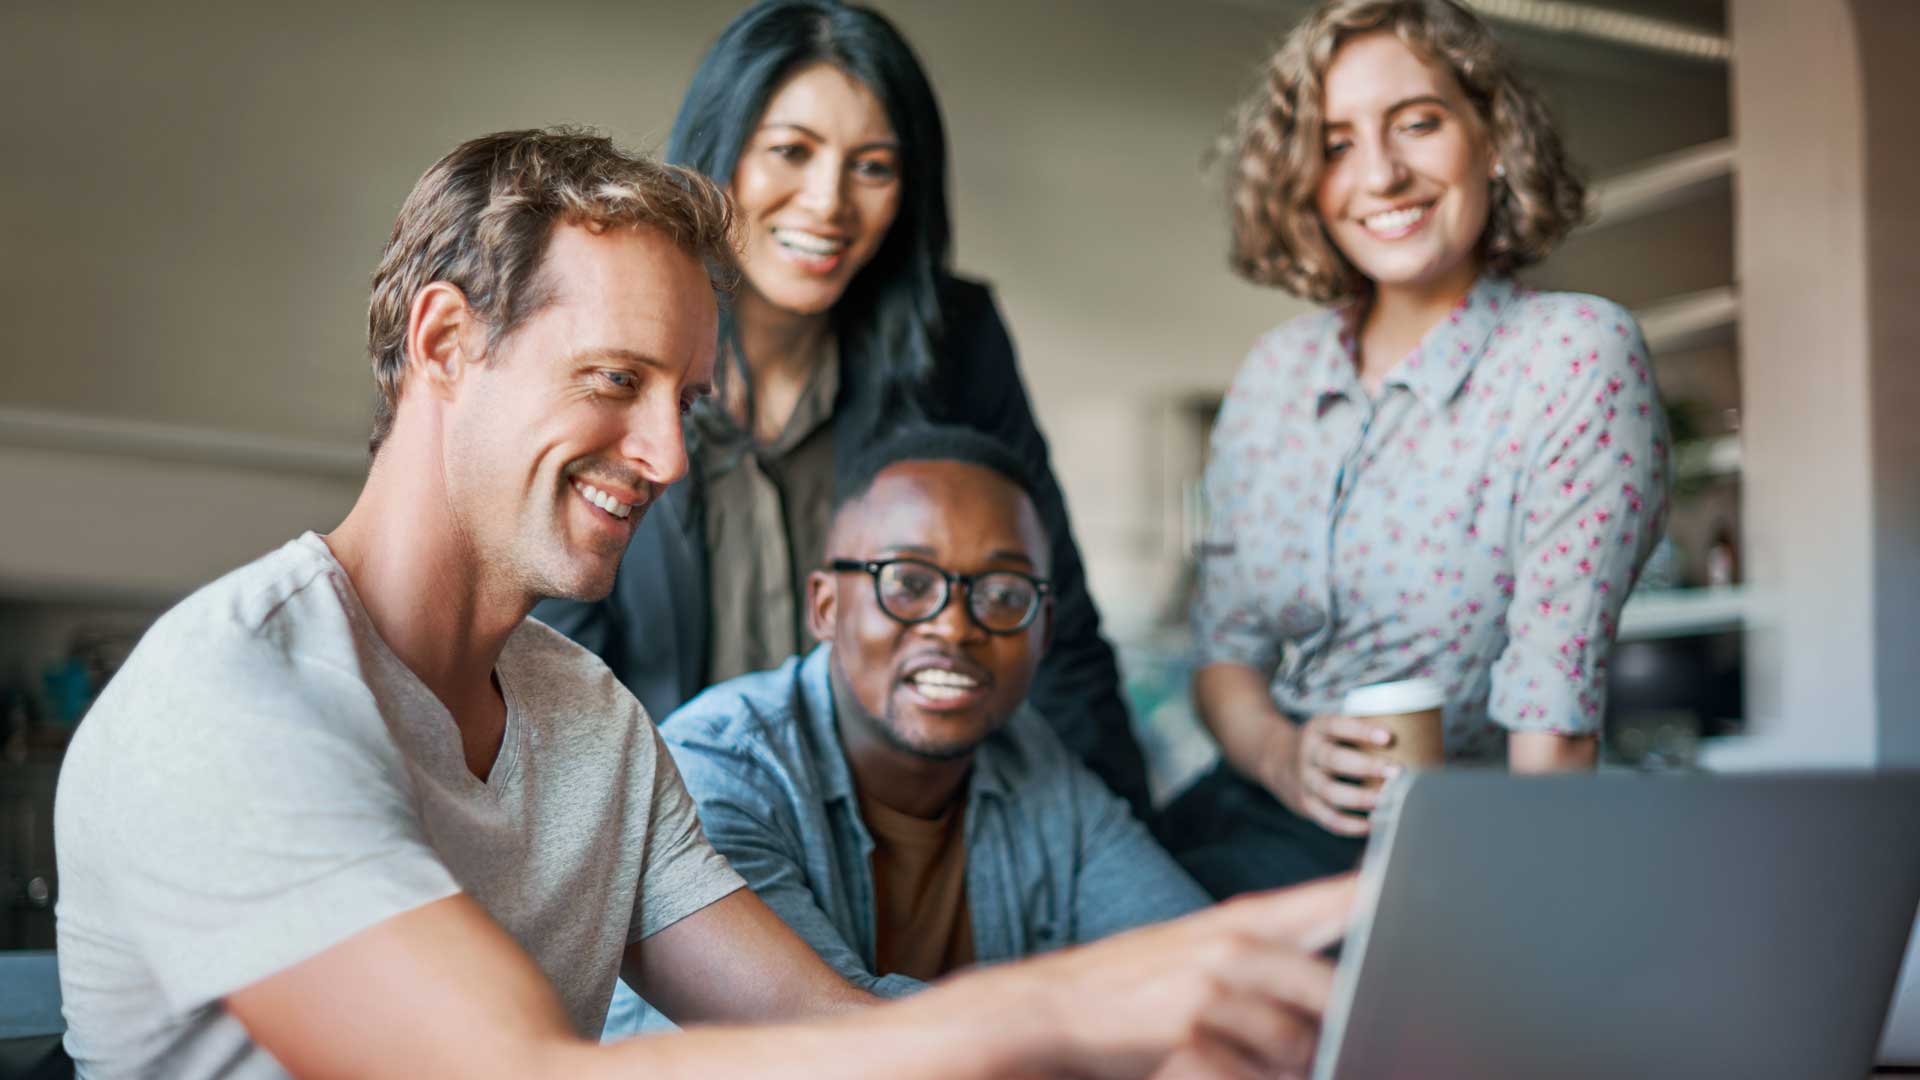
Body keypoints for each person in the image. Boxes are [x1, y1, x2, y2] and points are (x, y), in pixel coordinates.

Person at [53, 127, 1351, 1080]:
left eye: (687, 402)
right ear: (447, 343)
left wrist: (1198, 1009)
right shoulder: (231, 700)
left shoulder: (592, 722)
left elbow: (840, 1042)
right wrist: (1071, 1010)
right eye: (616, 380)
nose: (670, 458)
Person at [532, 0, 1151, 816]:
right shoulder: (612, 343)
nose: (829, 202)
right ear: (721, 155)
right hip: (658, 828)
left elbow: (1051, 622)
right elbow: (550, 654)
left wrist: (1125, 848)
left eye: (873, 166)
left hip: (897, 829)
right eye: (791, 151)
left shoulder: (957, 345)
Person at [1153, 0, 1671, 897]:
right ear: (1304, 179)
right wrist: (1283, 754)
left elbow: (1556, 708)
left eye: (1418, 124)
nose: (1382, 174)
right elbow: (1225, 655)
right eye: (1338, 141)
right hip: (1243, 813)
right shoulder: (1276, 375)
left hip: (1446, 841)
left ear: (1493, 135)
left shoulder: (1571, 354)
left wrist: (1516, 929)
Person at [606, 425, 1208, 1034]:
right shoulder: (715, 767)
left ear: (1043, 631)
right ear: (826, 608)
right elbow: (829, 1039)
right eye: (909, 584)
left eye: (1003, 593)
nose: (953, 628)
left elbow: (1197, 969)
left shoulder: (1032, 762)